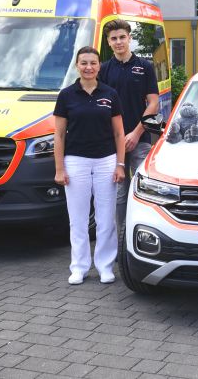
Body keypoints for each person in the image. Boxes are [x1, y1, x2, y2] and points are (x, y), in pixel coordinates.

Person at [54, 46, 126, 285]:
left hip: (106, 161)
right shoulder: (66, 95)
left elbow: (119, 134)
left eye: (93, 63)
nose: (88, 67)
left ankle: (105, 266)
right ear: (77, 66)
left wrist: (120, 164)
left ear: (99, 66)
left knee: (106, 219)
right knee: (78, 218)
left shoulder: (110, 94)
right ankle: (79, 267)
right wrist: (59, 169)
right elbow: (59, 135)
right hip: (75, 162)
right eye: (84, 63)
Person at [98, 19, 159, 224]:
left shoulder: (145, 67)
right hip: (112, 143)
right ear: (108, 42)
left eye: (122, 37)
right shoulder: (103, 70)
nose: (118, 42)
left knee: (144, 191)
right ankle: (120, 246)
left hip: (140, 139)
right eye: (114, 38)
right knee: (119, 195)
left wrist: (136, 133)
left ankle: (143, 237)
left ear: (129, 38)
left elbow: (153, 104)